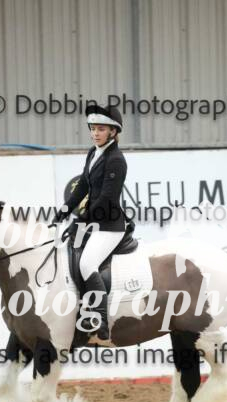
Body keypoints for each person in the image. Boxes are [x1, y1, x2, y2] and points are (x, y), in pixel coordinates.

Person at [55, 104, 127, 340]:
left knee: (87, 264)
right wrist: (66, 209)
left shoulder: (116, 160)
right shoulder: (93, 152)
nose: (95, 133)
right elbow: (84, 185)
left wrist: (82, 220)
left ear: (113, 132)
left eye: (101, 129)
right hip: (93, 221)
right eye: (93, 129)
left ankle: (101, 319)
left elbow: (106, 198)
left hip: (109, 225)